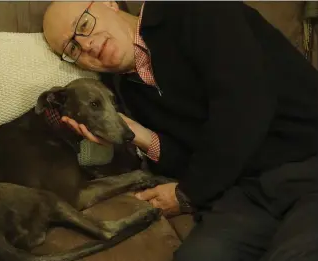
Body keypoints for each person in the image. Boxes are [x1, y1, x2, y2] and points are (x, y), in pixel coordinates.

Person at [43, 2, 318, 260]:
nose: (86, 44)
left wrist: (188, 194)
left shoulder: (190, 9)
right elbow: (188, 162)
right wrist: (136, 133)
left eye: (84, 25)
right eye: (72, 48)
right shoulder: (121, 92)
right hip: (245, 193)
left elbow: (245, 103)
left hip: (307, 162)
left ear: (109, 4)